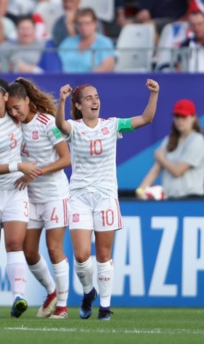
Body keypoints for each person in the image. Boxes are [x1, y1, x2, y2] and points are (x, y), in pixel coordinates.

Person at [55, 79, 159, 320]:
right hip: (80, 197)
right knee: (81, 256)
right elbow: (60, 123)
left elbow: (146, 119)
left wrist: (154, 94)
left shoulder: (112, 126)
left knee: (103, 254)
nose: (95, 101)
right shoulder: (73, 127)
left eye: (97, 97)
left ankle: (104, 306)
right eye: (89, 98)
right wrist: (60, 101)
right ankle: (88, 291)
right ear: (79, 106)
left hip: (105, 197)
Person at [6, 77, 71, 319]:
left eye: (17, 107)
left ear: (27, 100)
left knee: (55, 249)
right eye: (10, 108)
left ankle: (63, 306)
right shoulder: (12, 125)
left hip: (54, 195)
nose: (14, 113)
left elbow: (67, 159)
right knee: (29, 251)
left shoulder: (47, 123)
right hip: (29, 197)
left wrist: (37, 172)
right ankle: (52, 291)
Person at [0, 77, 40, 318]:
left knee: (15, 245)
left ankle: (18, 298)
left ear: (5, 97)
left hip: (15, 192)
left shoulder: (17, 119)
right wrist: (19, 166)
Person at [137, 99, 204, 199]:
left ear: (193, 117)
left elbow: (178, 171)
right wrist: (141, 190)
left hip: (191, 199)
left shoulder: (197, 139)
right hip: (170, 199)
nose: (180, 120)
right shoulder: (168, 140)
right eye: (177, 116)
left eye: (184, 116)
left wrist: (161, 158)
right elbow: (156, 169)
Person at [58, 8, 116, 73]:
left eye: (87, 23)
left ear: (95, 23)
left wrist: (86, 79)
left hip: (94, 82)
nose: (83, 27)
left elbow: (107, 67)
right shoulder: (67, 42)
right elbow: (56, 63)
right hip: (65, 81)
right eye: (80, 24)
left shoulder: (104, 43)